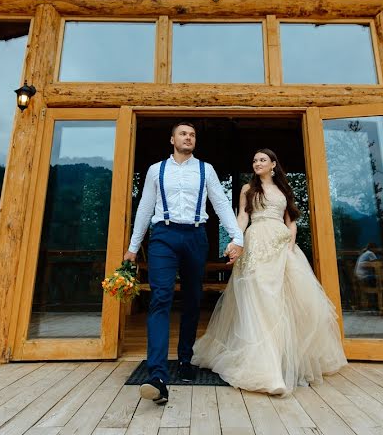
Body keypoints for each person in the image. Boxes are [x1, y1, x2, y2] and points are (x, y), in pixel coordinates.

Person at [193, 148, 347, 395]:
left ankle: (282, 361)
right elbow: (242, 217)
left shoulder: (284, 190)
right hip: (256, 244)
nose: (257, 163)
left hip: (281, 247)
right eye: (254, 160)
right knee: (258, 300)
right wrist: (236, 241)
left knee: (285, 303)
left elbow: (291, 221)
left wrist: (291, 245)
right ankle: (268, 371)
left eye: (262, 160)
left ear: (273, 164)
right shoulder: (247, 189)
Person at [124, 121, 243, 405]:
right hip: (163, 234)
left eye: (192, 135)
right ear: (172, 139)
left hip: (195, 236)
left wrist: (237, 237)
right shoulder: (156, 170)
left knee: (191, 299)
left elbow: (222, 204)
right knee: (160, 298)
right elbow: (144, 208)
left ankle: (186, 359)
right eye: (183, 134)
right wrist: (132, 247)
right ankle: (157, 374)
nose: (188, 138)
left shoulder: (206, 169)